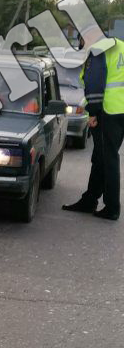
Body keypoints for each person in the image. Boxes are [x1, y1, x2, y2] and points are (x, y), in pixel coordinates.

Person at [62, 23, 124, 221]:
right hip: (120, 111)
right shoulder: (121, 46)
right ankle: (90, 199)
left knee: (108, 159)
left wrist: (93, 113)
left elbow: (94, 84)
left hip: (109, 111)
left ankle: (112, 207)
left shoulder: (98, 50)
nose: (81, 45)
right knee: (101, 157)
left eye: (81, 40)